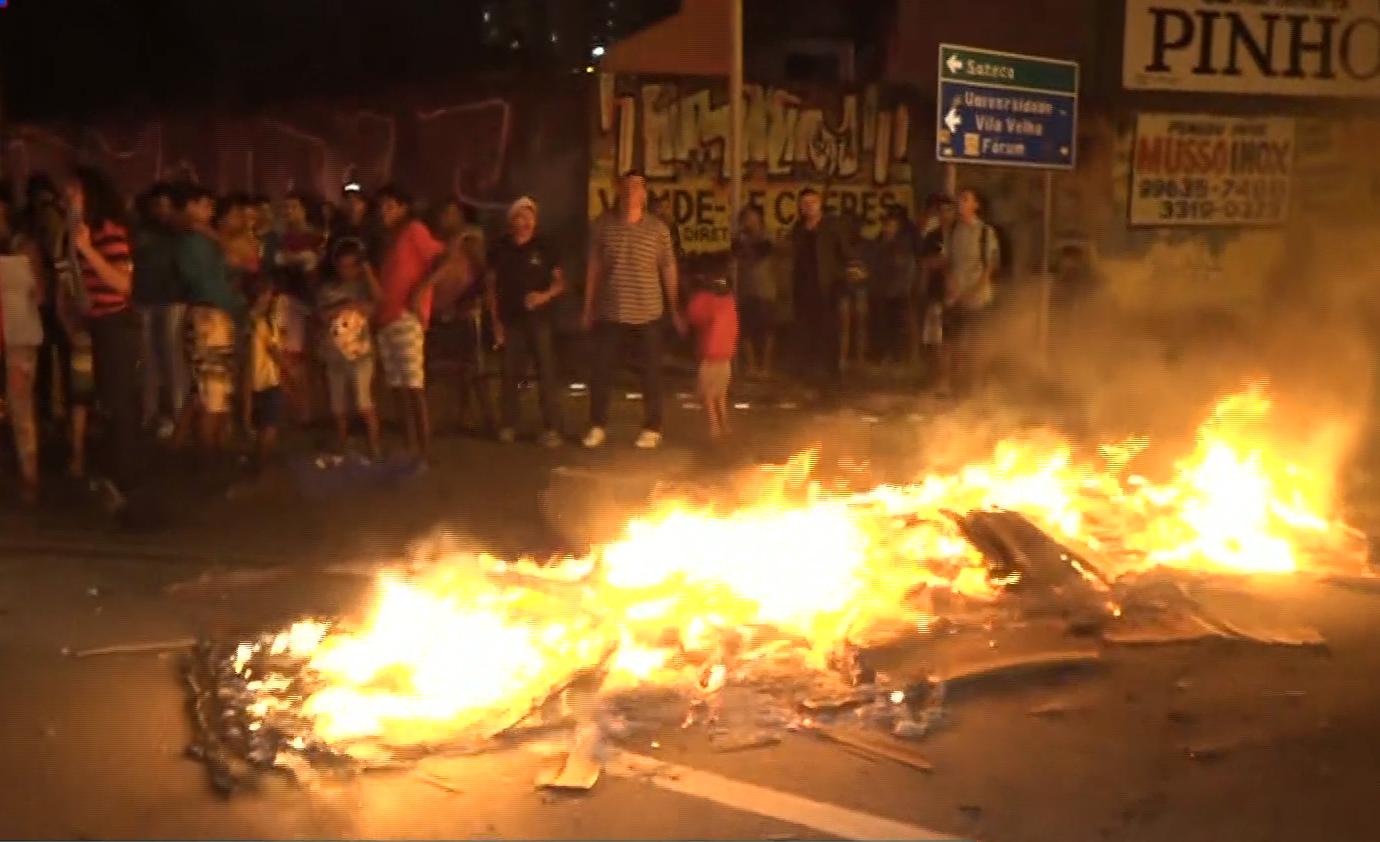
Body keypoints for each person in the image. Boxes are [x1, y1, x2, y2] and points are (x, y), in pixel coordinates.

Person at [582, 172, 683, 450]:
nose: (630, 192)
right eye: (625, 187)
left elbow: (668, 269)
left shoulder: (658, 230)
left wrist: (675, 308)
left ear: (644, 194)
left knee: (651, 373)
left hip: (648, 313)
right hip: (610, 313)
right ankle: (597, 425)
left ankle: (652, 426)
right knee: (601, 372)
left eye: (636, 187)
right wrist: (588, 307)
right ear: (618, 191)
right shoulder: (603, 226)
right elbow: (594, 269)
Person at [66, 166, 142, 514]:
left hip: (116, 325)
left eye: (75, 192)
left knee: (120, 405)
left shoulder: (108, 233)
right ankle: (114, 475)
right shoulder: (81, 233)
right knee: (108, 403)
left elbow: (123, 285)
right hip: (98, 323)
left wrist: (88, 250)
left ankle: (124, 482)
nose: (70, 198)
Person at [374, 184, 446, 460]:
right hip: (387, 317)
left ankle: (425, 449)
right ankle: (410, 445)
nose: (384, 211)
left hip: (406, 315)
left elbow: (443, 258)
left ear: (404, 208)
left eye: (390, 206)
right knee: (398, 386)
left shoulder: (414, 230)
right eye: (382, 206)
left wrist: (422, 289)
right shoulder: (390, 237)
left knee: (413, 384)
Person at [486, 196, 565, 447]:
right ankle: (508, 424)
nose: (524, 222)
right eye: (519, 217)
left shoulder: (546, 246)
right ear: (512, 221)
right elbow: (490, 286)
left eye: (529, 217)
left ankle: (551, 427)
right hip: (510, 320)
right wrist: (495, 321)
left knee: (546, 372)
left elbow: (560, 282)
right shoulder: (500, 248)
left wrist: (544, 296)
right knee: (510, 373)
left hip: (539, 320)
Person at [172, 184, 243, 454]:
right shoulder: (193, 237)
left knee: (205, 389)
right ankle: (207, 454)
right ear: (190, 205)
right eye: (206, 205)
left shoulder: (201, 238)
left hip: (211, 315)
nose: (211, 211)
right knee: (213, 393)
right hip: (209, 317)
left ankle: (184, 448)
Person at [0, 191, 46, 504]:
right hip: (15, 330)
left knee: (20, 406)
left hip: (18, 333)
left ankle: (29, 473)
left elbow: (42, 293)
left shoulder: (26, 248)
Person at [316, 238, 381, 457]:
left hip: (360, 355)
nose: (347, 270)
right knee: (337, 406)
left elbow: (378, 302)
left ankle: (375, 448)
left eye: (353, 265)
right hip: (333, 354)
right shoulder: (328, 289)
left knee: (364, 402)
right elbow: (322, 315)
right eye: (343, 265)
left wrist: (368, 271)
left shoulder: (364, 286)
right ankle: (342, 445)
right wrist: (347, 305)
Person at [789, 187, 855, 401]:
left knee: (831, 336)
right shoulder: (799, 228)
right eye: (805, 203)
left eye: (812, 202)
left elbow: (846, 255)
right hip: (804, 290)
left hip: (828, 290)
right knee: (808, 336)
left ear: (820, 203)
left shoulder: (832, 226)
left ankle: (833, 381)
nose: (808, 207)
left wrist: (847, 275)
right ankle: (810, 381)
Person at [132, 182, 186, 435]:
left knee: (173, 359)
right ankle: (147, 414)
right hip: (145, 300)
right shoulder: (140, 231)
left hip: (172, 299)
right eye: (157, 205)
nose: (162, 210)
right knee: (149, 360)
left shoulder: (180, 232)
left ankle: (178, 414)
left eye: (167, 205)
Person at [941, 188, 1001, 397]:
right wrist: (952, 286)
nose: (960, 203)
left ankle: (977, 385)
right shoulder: (953, 231)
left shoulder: (985, 232)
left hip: (978, 298)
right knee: (951, 342)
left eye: (965, 199)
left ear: (976, 205)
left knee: (978, 343)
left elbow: (990, 267)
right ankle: (949, 383)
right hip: (955, 296)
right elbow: (947, 261)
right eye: (960, 199)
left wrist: (974, 290)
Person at [272, 190, 324, 425]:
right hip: (286, 302)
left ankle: (308, 409)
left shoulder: (316, 238)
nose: (288, 212)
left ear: (305, 210)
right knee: (287, 357)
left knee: (306, 359)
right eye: (286, 207)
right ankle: (293, 408)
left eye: (294, 207)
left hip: (307, 304)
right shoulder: (279, 238)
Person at [686, 257, 739, 441]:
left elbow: (694, 318)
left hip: (709, 353)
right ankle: (725, 425)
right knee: (721, 394)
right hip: (726, 354)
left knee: (709, 395)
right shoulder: (729, 299)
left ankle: (714, 426)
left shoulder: (703, 299)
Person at [866, 206, 918, 369]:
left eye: (891, 224)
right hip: (880, 290)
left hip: (897, 290)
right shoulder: (878, 242)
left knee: (898, 326)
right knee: (881, 325)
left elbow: (904, 266)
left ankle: (898, 357)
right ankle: (883, 355)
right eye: (886, 223)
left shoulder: (903, 243)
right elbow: (873, 263)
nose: (888, 226)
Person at [732, 205, 778, 379]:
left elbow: (758, 254)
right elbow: (736, 254)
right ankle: (751, 366)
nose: (749, 221)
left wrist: (745, 244)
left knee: (767, 330)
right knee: (745, 330)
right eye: (746, 218)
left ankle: (765, 366)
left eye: (752, 217)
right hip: (745, 290)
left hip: (765, 290)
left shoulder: (767, 236)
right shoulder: (739, 238)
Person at [245, 274, 284, 466]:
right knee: (270, 426)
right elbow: (274, 351)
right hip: (268, 379)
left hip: (251, 381)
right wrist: (289, 373)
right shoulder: (263, 322)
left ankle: (259, 461)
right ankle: (260, 463)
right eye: (268, 293)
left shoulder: (245, 319)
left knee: (259, 425)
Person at [916, 194, 954, 375]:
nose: (944, 214)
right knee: (935, 337)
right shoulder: (933, 236)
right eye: (941, 211)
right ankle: (938, 375)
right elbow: (925, 263)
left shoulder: (961, 233)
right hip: (936, 291)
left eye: (948, 210)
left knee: (955, 337)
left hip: (958, 293)